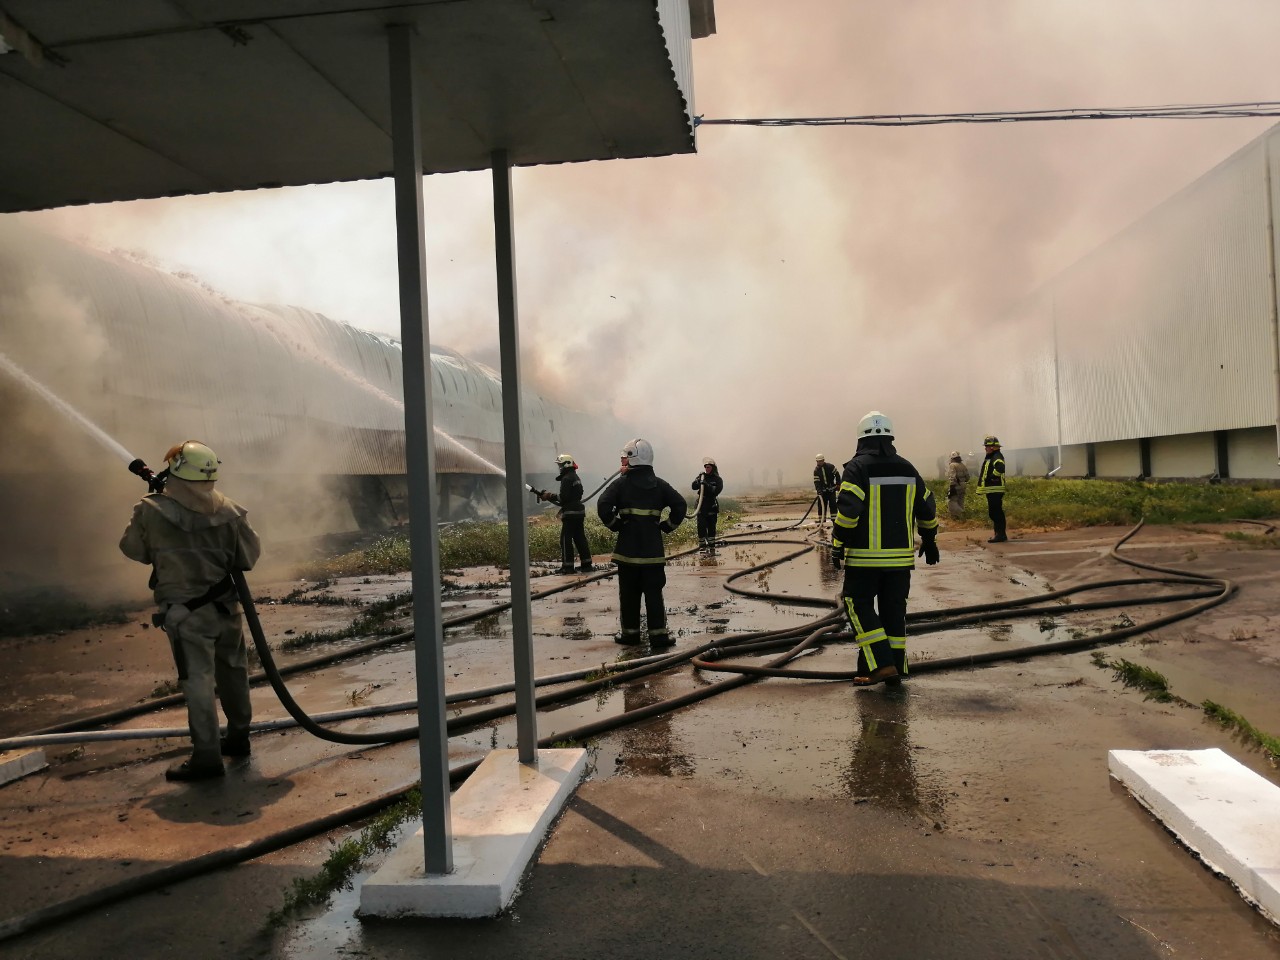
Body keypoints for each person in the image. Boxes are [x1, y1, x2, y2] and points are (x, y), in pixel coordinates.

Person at [120, 441, 261, 782]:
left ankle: (207, 759)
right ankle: (238, 738)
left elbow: (133, 549)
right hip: (226, 608)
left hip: (185, 615)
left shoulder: (150, 510)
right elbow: (247, 558)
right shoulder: (231, 511)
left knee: (198, 682)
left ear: (175, 471)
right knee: (233, 673)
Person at [830, 411, 939, 686]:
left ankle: (882, 664)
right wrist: (929, 540)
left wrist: (837, 544)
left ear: (860, 439)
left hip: (864, 559)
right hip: (900, 560)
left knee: (856, 604)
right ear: (890, 437)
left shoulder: (857, 468)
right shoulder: (908, 468)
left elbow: (848, 514)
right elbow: (927, 508)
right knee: (893, 612)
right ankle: (893, 668)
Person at [598, 438, 687, 647]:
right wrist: (667, 526)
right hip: (652, 553)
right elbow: (680, 505)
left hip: (627, 553)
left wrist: (616, 525)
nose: (622, 462)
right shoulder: (660, 485)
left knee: (629, 594)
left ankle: (630, 635)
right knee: (654, 593)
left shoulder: (621, 484)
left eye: (625, 458)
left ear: (633, 458)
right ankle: (659, 636)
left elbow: (603, 504)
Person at [539, 453, 594, 573]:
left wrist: (549, 495)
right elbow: (578, 494)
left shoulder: (566, 478)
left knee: (565, 539)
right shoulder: (575, 477)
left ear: (567, 464)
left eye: (560, 465)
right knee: (580, 538)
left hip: (570, 513)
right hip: (579, 512)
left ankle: (567, 567)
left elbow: (563, 497)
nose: (559, 468)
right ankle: (586, 564)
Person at [977, 434, 1007, 543]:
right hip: (992, 489)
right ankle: (998, 534)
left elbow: (1000, 467)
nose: (985, 448)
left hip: (995, 489)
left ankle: (1000, 535)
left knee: (996, 513)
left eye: (987, 446)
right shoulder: (992, 456)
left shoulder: (996, 456)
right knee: (994, 512)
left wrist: (993, 477)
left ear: (993, 447)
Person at [691, 457, 724, 551]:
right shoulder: (701, 476)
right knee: (701, 527)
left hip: (711, 506)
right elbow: (693, 487)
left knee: (711, 527)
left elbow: (716, 491)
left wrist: (706, 485)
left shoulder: (718, 479)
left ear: (713, 468)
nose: (706, 469)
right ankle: (702, 547)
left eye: (708, 467)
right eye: (705, 467)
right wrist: (697, 482)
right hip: (701, 506)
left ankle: (712, 546)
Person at [944, 450, 970, 520]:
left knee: (951, 501)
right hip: (963, 485)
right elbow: (968, 477)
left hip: (956, 485)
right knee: (960, 501)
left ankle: (961, 513)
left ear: (952, 458)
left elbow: (952, 477)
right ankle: (960, 518)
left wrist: (952, 486)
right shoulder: (962, 465)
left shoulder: (952, 465)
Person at [813, 454, 838, 523]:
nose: (819, 463)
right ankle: (822, 520)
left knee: (833, 505)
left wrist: (838, 484)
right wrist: (819, 491)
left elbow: (837, 475)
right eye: (818, 461)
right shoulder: (816, 471)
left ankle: (834, 520)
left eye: (820, 461)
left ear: (823, 460)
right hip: (822, 492)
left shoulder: (830, 467)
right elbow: (816, 482)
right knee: (821, 506)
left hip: (831, 490)